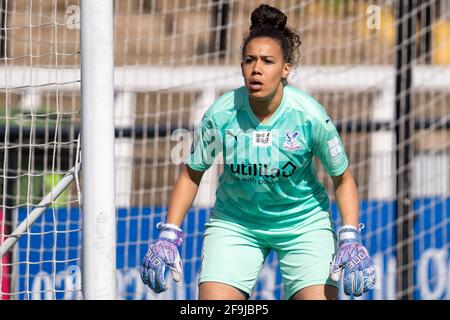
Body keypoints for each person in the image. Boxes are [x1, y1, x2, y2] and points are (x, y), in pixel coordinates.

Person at [141, 4, 376, 300]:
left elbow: (343, 180)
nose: (257, 69)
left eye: (267, 61)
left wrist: (350, 235)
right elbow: (192, 174)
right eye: (249, 60)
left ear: (286, 68)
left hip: (303, 223)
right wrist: (169, 233)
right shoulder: (222, 114)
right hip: (236, 223)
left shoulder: (309, 115)